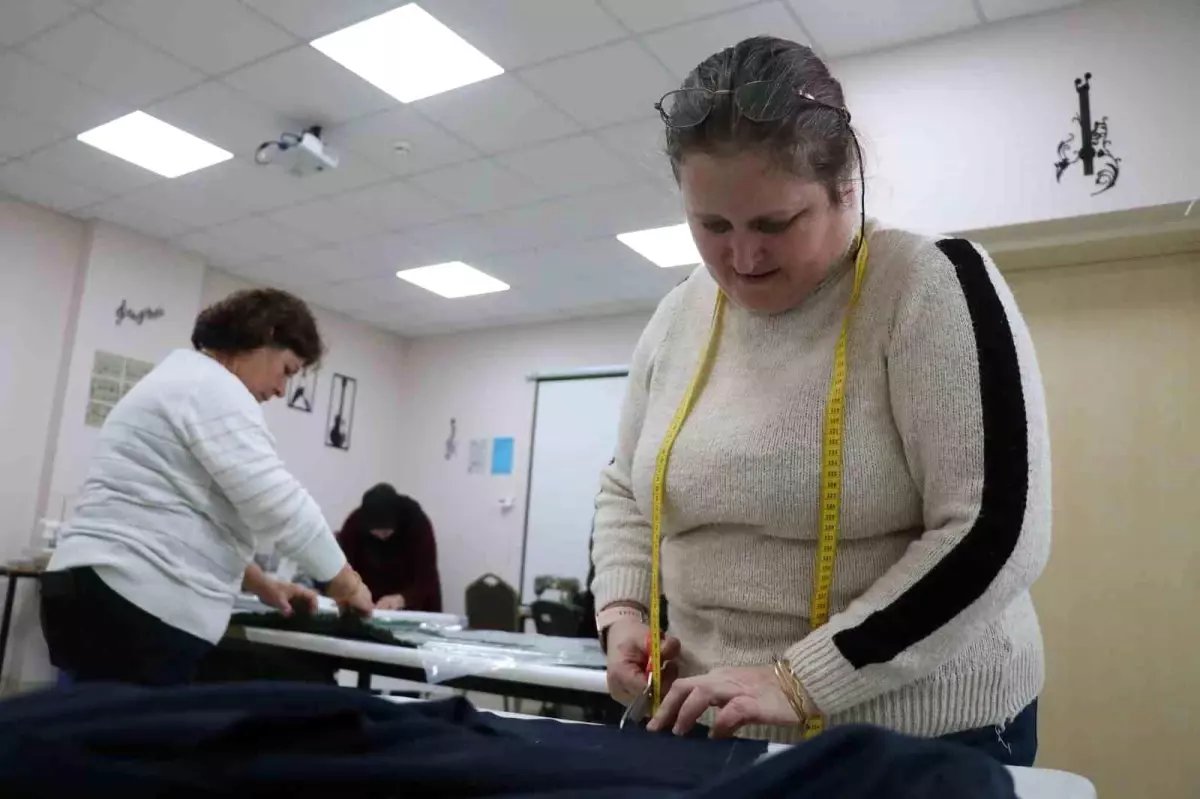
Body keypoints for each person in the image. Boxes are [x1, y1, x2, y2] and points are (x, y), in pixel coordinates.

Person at [590, 36, 1050, 766]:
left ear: (845, 187)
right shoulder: (678, 313)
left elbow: (994, 529)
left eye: (775, 224)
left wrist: (800, 679)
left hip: (917, 731)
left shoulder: (929, 285)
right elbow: (626, 486)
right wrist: (621, 613)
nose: (742, 258)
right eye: (712, 226)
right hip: (713, 720)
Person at [42, 289, 374, 686]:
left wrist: (259, 583)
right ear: (265, 335)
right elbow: (278, 504)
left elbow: (186, 505)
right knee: (124, 741)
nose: (282, 390)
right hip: (137, 603)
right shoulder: (212, 387)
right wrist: (345, 582)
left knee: (87, 730)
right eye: (286, 369)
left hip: (99, 589)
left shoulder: (180, 380)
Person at [337, 483, 442, 612]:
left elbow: (426, 577)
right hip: (370, 605)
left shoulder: (417, 523)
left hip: (415, 603)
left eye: (386, 532)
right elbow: (345, 570)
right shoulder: (354, 524)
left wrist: (401, 599)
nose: (382, 537)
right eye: (376, 533)